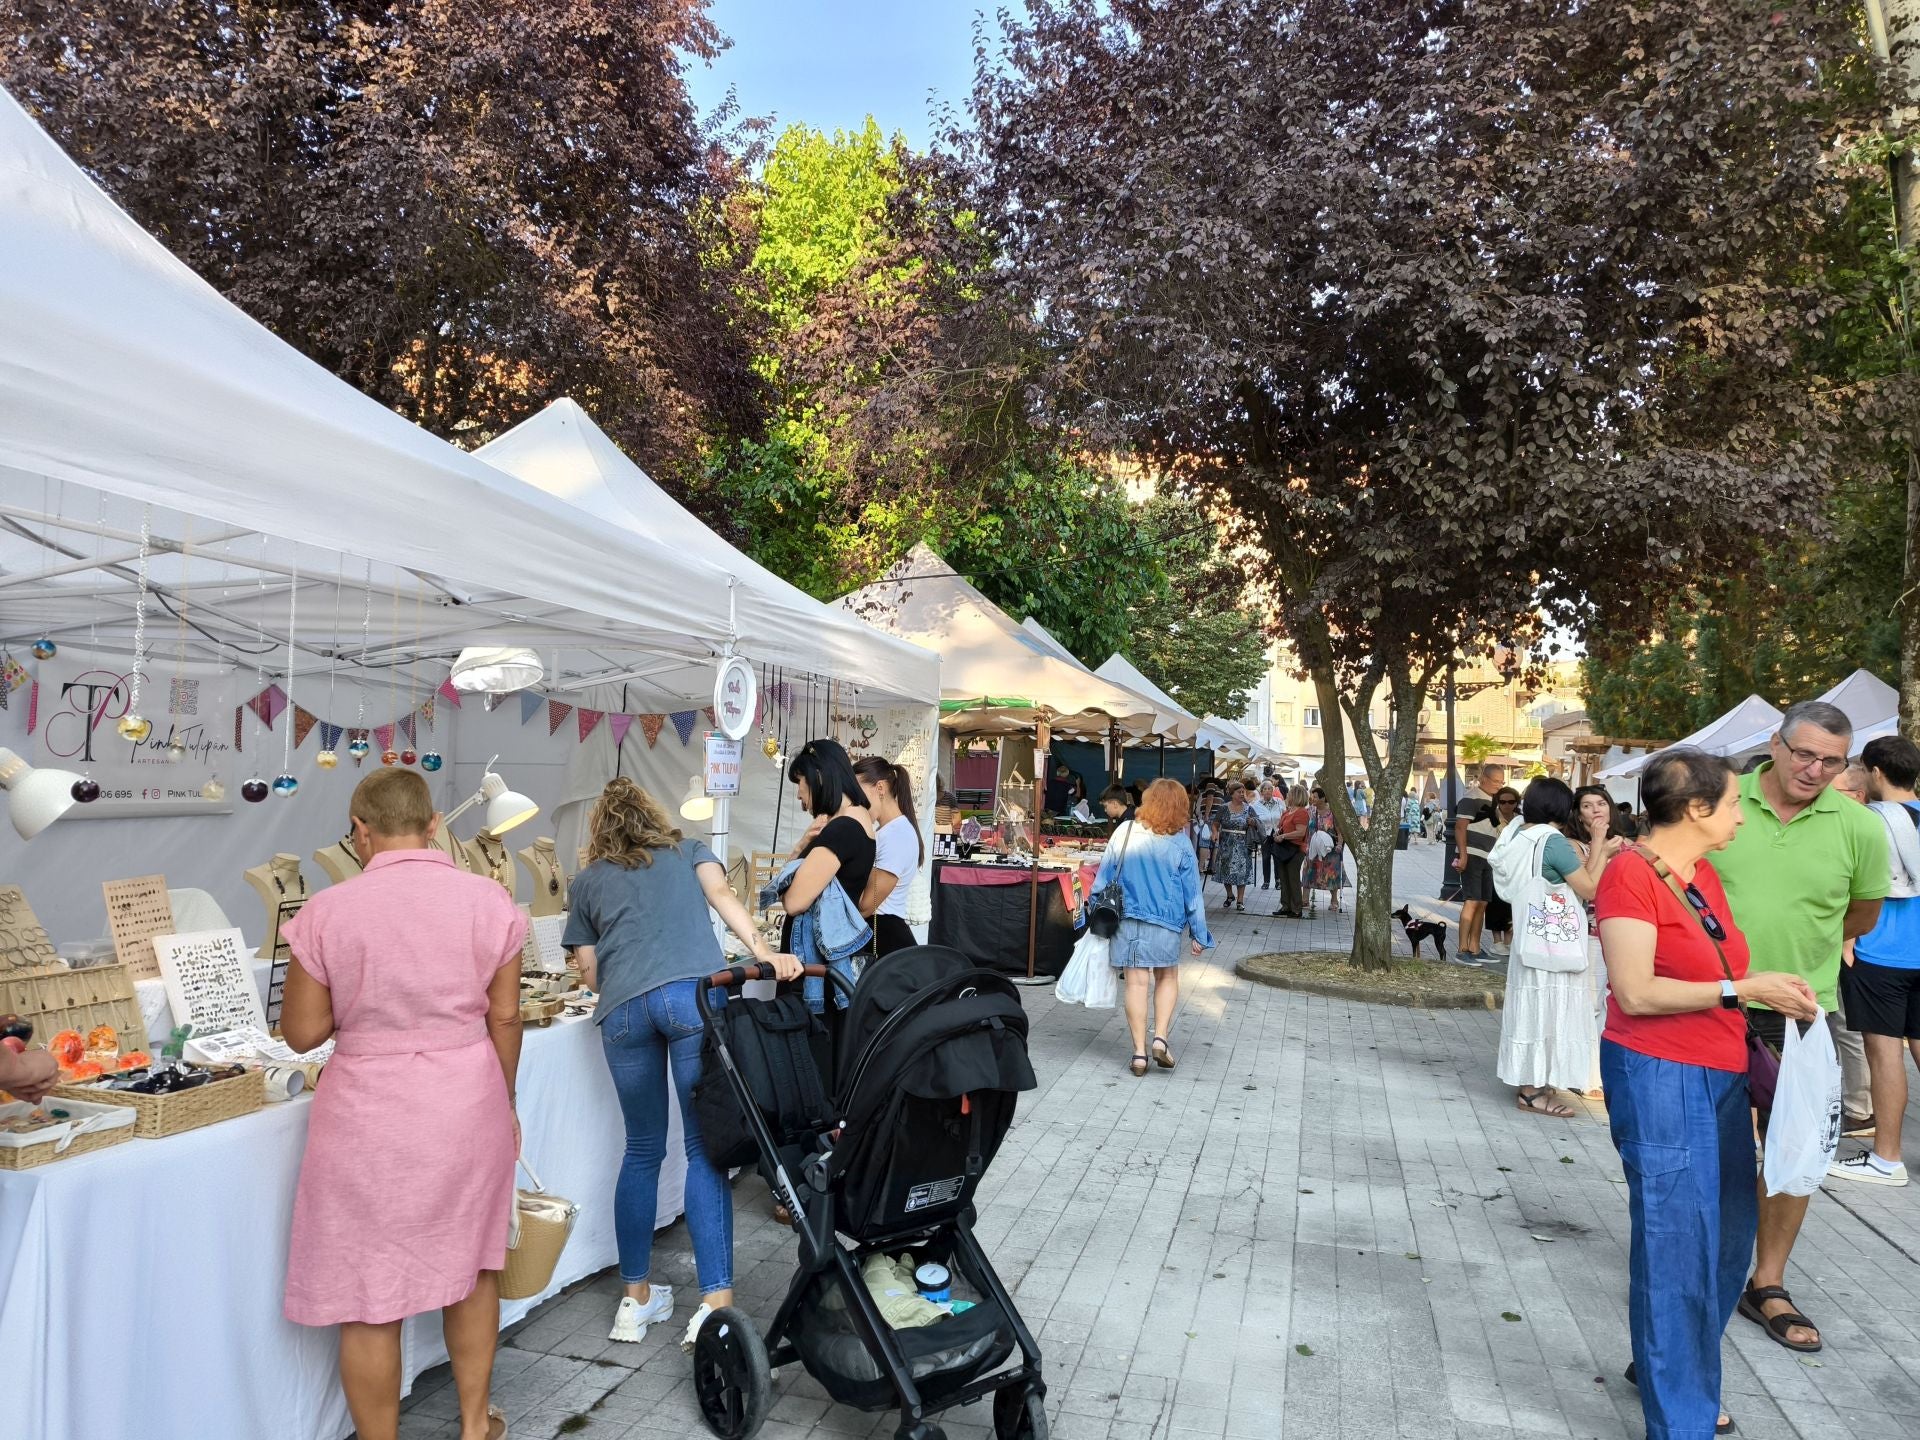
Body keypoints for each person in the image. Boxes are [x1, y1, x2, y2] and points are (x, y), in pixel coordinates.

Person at [279, 770, 528, 1440]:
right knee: (474, 1266)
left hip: (366, 1112)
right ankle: (474, 1426)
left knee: (369, 1293)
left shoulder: (326, 912)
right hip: (467, 1100)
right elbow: (507, 1018)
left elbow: (301, 1033)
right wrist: (504, 1100)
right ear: (433, 824)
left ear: (360, 831)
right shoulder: (490, 901)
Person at [1595, 747, 1819, 1440]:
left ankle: (1667, 1366)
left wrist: (1765, 988)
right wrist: (1744, 988)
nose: (1740, 818)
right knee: (1677, 1243)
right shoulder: (1629, 875)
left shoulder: (1700, 874)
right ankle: (1682, 1417)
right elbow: (1636, 991)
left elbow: (1714, 968)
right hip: (1660, 1074)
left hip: (1721, 1072)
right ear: (1696, 809)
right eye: (1731, 805)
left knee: (1726, 1237)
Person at [564, 779, 803, 1347]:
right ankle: (714, 1307)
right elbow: (723, 898)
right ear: (653, 815)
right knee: (704, 1148)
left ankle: (634, 1300)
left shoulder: (588, 881)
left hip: (623, 1013)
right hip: (691, 999)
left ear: (600, 829)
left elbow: (591, 974)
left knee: (642, 1150)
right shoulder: (689, 849)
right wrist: (765, 954)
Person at [1711, 700, 1887, 1354]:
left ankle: (1767, 1282)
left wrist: (1798, 957)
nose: (1814, 769)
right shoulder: (1719, 801)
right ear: (1777, 744)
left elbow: (1861, 915)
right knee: (1705, 1146)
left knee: (1795, 1150)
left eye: (1831, 761)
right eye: (1804, 753)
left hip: (1800, 1011)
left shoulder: (1860, 827)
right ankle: (1699, 1267)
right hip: (1709, 1002)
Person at [1490, 778, 1613, 1117]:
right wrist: (1600, 843)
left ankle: (1533, 1083)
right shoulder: (1553, 841)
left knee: (1531, 1010)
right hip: (1554, 943)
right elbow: (1589, 888)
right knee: (1549, 1009)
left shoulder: (1517, 833)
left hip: (1530, 937)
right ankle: (1533, 1092)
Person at [1829, 734, 1920, 1186]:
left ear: (1876, 772)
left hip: (1879, 951)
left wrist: (1845, 940)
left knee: (1884, 1056)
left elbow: (1850, 884)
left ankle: (1886, 1159)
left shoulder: (1868, 821)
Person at [1091, 777, 1215, 1076]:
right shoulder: (1180, 842)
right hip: (1165, 922)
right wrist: (1199, 934)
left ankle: (1138, 1054)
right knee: (1167, 977)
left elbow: (1101, 880)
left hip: (1126, 920)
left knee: (1135, 984)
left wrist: (1095, 913)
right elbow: (1192, 894)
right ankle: (1160, 1038)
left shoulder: (1124, 831)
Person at [780, 739, 878, 983]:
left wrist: (800, 849)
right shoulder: (857, 819)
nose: (798, 793)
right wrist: (802, 844)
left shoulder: (843, 829)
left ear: (818, 776)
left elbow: (793, 902)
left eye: (799, 781)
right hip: (824, 960)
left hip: (815, 968)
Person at [853, 755, 924, 958]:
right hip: (883, 934)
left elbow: (866, 905)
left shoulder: (897, 835)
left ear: (880, 788)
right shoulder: (889, 831)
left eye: (858, 794)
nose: (857, 803)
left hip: (884, 937)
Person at [1452, 763, 1506, 961]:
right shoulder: (1471, 797)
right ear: (1484, 779)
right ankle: (1462, 949)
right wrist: (1463, 855)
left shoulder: (1494, 802)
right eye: (1496, 781)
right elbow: (1460, 827)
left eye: (1502, 782)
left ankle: (1475, 948)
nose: (1499, 785)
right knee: (1472, 901)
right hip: (1473, 854)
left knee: (1482, 903)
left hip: (1488, 857)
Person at [1479, 787, 1522, 957]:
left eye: (1511, 802)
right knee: (1495, 904)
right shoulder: (1491, 816)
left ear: (1516, 803)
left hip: (1515, 867)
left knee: (1512, 903)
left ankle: (1508, 942)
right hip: (1495, 865)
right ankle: (1497, 942)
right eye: (1503, 802)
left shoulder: (1521, 820)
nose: (1507, 805)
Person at [1211, 782, 1260, 911]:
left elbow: (1258, 822)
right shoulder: (1223, 808)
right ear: (1232, 794)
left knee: (1242, 873)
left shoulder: (1249, 808)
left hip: (1243, 845)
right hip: (1226, 844)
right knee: (1225, 871)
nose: (1242, 794)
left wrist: (1253, 822)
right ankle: (1230, 895)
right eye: (1239, 792)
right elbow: (1215, 823)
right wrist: (1215, 833)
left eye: (1243, 792)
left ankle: (1240, 900)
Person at [1304, 788, 1347, 914]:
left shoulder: (1332, 812)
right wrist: (1305, 844)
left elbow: (1339, 831)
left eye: (1315, 797)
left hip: (1330, 849)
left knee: (1331, 874)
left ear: (1323, 798)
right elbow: (1306, 829)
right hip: (1313, 848)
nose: (1312, 799)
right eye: (1312, 796)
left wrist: (1340, 844)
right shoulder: (1310, 810)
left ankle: (1334, 900)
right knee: (1308, 871)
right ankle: (1305, 899)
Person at [1272, 783, 1311, 918]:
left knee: (1293, 878)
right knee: (1283, 878)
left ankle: (1296, 908)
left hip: (1296, 849)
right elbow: (1281, 827)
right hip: (1284, 848)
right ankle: (1286, 906)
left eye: (1289, 794)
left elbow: (1300, 832)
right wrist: (1278, 833)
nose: (1287, 795)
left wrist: (1283, 836)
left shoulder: (1302, 812)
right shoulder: (1287, 811)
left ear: (1296, 796)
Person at [1250, 780, 1284, 891]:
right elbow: (1254, 819)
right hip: (1264, 834)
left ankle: (1278, 881)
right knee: (1265, 857)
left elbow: (1284, 816)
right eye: (1265, 789)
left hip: (1277, 833)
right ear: (1261, 791)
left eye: (1270, 789)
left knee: (1278, 857)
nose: (1268, 791)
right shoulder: (1256, 805)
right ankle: (1266, 881)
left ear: (1272, 790)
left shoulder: (1279, 802)